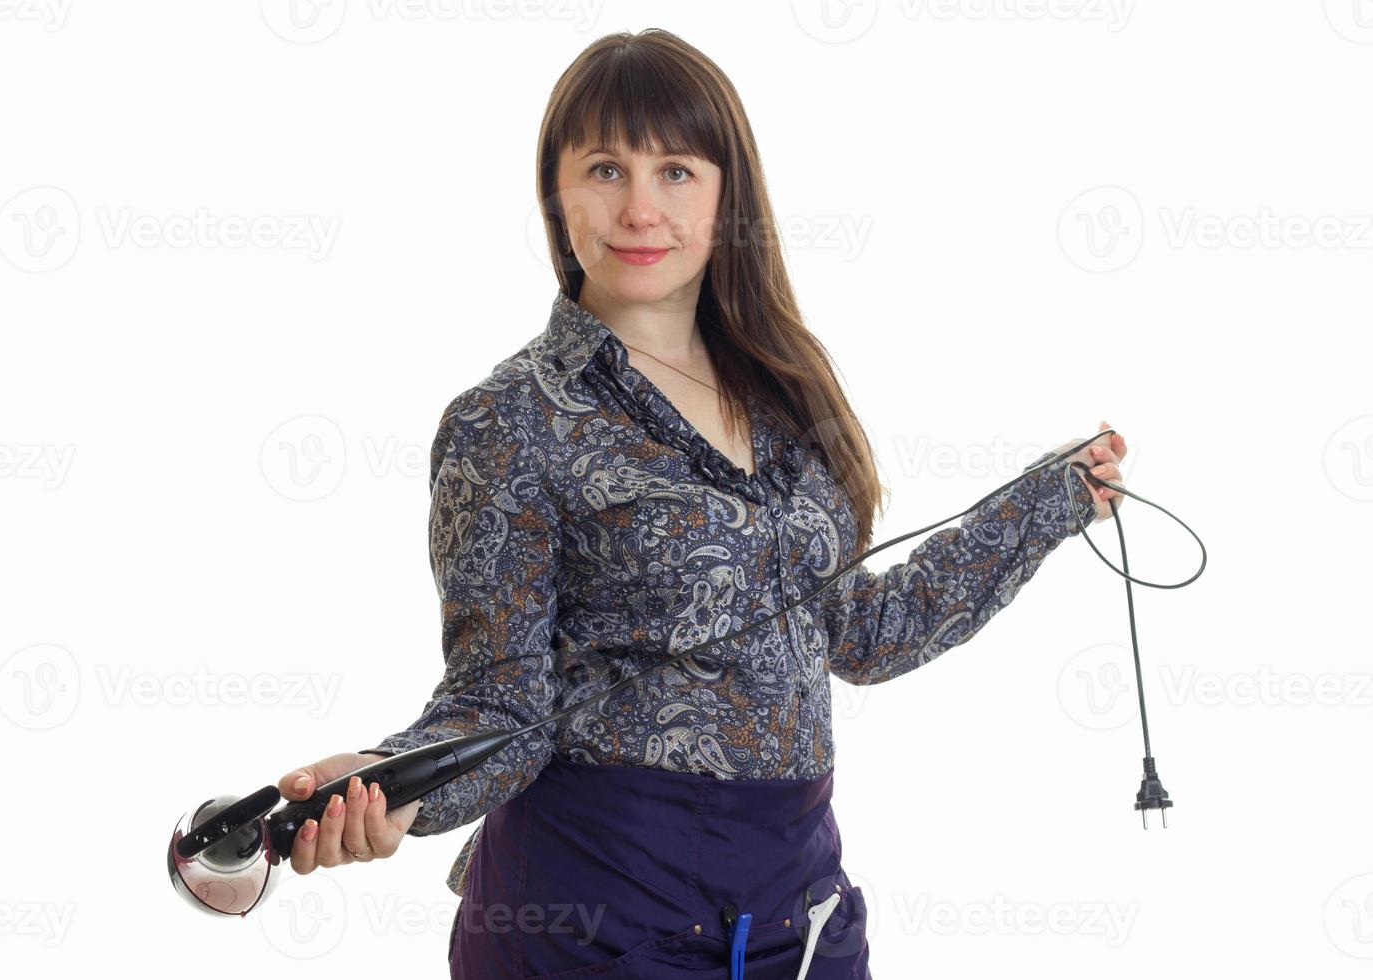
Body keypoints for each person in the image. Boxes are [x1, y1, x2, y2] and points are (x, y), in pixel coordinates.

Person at [276, 28, 1127, 979]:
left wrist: (1052, 500)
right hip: (593, 919)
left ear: (728, 193)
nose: (640, 207)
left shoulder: (789, 396)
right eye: (605, 167)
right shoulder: (505, 422)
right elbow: (499, 706)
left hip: (795, 913)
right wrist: (390, 787)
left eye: (676, 170)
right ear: (556, 195)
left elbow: (863, 632)